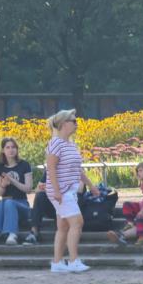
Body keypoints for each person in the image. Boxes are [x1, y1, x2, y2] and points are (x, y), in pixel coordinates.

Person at [46, 109, 101, 273]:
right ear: (64, 124)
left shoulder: (71, 144)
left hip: (69, 190)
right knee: (77, 222)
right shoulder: (55, 143)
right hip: (61, 191)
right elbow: (51, 168)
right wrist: (57, 191)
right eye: (74, 121)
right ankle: (73, 260)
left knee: (63, 226)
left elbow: (78, 169)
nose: (77, 124)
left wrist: (91, 185)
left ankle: (57, 262)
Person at [0, 138, 33, 246]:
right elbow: (0, 192)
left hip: (22, 204)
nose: (11, 150)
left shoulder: (24, 165)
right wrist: (3, 184)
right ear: (3, 150)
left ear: (17, 149)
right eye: (7, 147)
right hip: (5, 205)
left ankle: (12, 234)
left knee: (9, 203)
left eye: (13, 147)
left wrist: (13, 181)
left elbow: (28, 189)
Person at [108, 162, 143, 246]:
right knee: (127, 204)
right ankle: (130, 223)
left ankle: (141, 237)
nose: (138, 173)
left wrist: (142, 211)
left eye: (141, 171)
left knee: (139, 216)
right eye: (138, 171)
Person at [22, 170, 55, 246]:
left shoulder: (72, 168)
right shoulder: (50, 170)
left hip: (66, 206)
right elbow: (37, 189)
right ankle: (34, 232)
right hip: (53, 206)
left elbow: (79, 189)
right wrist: (46, 188)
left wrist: (51, 188)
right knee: (40, 196)